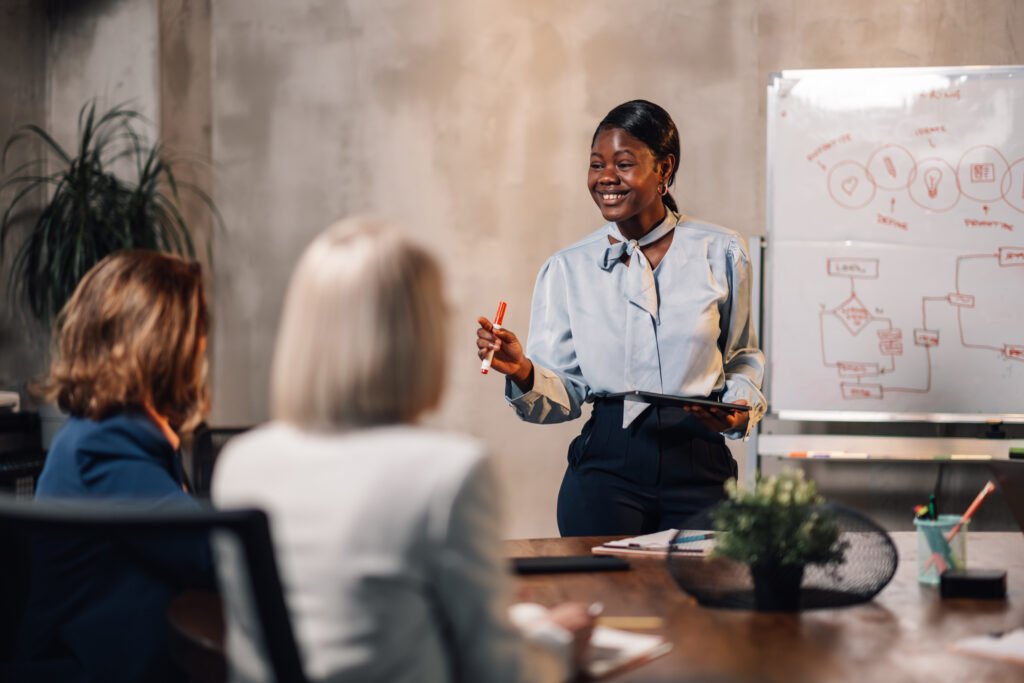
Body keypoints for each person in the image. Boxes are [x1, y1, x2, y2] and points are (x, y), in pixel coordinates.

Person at [213, 218, 593, 683]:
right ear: (418, 335)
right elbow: (501, 672)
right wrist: (556, 642)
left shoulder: (240, 463)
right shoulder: (447, 474)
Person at [476, 99, 767, 536]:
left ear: (664, 170)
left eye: (624, 163)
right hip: (606, 468)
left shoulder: (721, 251)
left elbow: (743, 356)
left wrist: (737, 411)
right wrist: (523, 370)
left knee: (703, 599)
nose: (606, 177)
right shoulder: (568, 268)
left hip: (699, 462)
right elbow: (567, 396)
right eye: (596, 165)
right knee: (605, 598)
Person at [15, 250, 215, 682]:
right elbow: (211, 552)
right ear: (164, 345)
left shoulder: (114, 432)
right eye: (197, 331)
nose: (202, 347)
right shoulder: (104, 443)